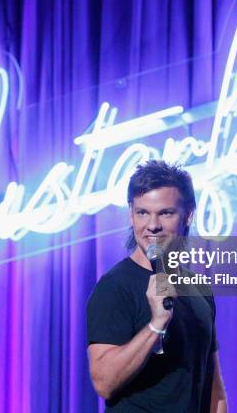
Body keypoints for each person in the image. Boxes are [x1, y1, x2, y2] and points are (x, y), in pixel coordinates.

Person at [86, 160, 227, 412]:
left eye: (165, 213)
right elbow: (104, 382)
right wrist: (156, 325)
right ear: (131, 214)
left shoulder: (198, 288)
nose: (152, 225)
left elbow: (214, 390)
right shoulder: (114, 287)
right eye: (142, 213)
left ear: (188, 215)